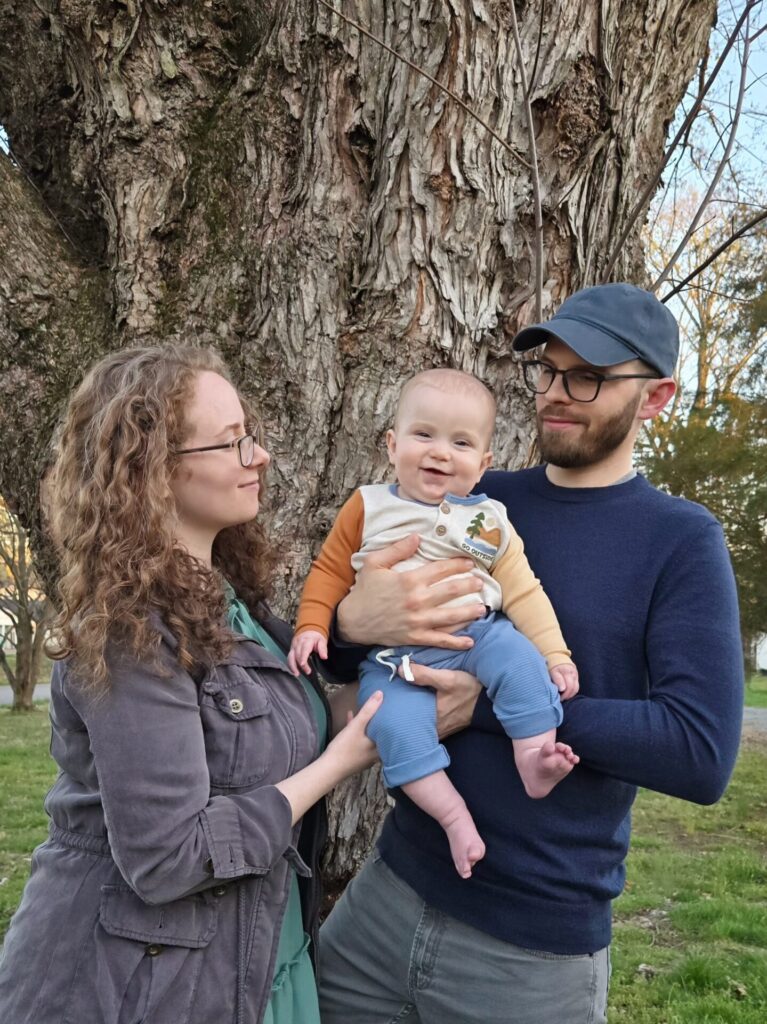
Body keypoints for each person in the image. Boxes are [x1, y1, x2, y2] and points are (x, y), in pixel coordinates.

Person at [318, 283, 744, 1024]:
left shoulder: (679, 540)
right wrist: (351, 625)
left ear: (655, 397)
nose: (555, 394)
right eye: (547, 370)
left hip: (530, 954)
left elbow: (698, 751)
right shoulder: (471, 500)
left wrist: (486, 703)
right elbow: (350, 658)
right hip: (384, 901)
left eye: (588, 378)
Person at [0, 344, 388, 1024]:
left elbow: (278, 730)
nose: (260, 456)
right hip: (133, 987)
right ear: (154, 471)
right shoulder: (128, 630)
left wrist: (399, 684)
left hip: (251, 960)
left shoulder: (229, 603)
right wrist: (337, 765)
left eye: (251, 435)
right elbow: (167, 857)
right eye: (232, 442)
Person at [288, 368, 579, 879]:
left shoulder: (489, 519)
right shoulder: (368, 506)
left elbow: (523, 591)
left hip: (478, 636)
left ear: (484, 464)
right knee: (392, 725)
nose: (440, 453)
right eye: (424, 434)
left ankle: (535, 758)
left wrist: (556, 653)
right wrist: (313, 625)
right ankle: (452, 816)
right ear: (392, 444)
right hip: (392, 659)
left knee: (522, 663)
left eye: (460, 443)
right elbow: (330, 571)